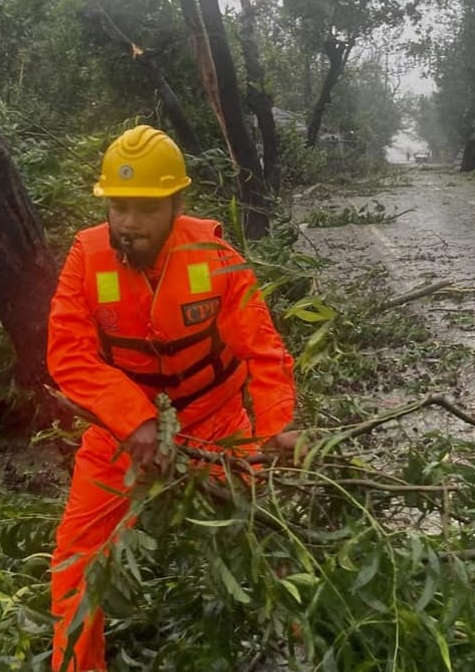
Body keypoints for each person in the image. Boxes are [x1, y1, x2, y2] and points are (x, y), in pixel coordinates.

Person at [46, 125, 298, 671]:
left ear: (176, 204)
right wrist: (133, 421)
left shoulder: (215, 256)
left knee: (260, 538)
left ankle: (290, 646)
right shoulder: (87, 258)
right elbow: (68, 354)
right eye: (118, 206)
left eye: (146, 208)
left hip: (215, 421)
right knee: (77, 559)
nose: (129, 222)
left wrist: (276, 425)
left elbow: (263, 350)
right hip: (120, 432)